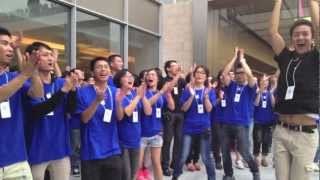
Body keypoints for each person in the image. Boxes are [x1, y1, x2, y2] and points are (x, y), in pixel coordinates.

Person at [268, 0, 319, 180]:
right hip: (281, 131)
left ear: (313, 38)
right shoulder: (286, 58)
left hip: (304, 135)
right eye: (296, 35)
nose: (300, 38)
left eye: (305, 34)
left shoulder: (316, 58)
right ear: (292, 39)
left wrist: (312, 2)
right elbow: (273, 33)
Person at [24, 42, 78, 180]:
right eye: (45, 55)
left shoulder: (60, 83)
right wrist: (64, 91)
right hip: (36, 151)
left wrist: (72, 91)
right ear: (33, 58)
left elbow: (70, 110)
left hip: (60, 150)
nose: (51, 59)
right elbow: (38, 110)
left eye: (51, 55)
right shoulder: (27, 84)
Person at [0, 26, 43, 180]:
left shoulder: (13, 77)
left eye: (11, 45)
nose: (10, 48)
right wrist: (25, 74)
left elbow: (37, 94)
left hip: (17, 160)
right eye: (4, 43)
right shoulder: (18, 78)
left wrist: (34, 73)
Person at [75, 57, 122, 180]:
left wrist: (119, 102)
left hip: (113, 150)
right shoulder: (82, 92)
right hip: (91, 152)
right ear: (92, 72)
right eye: (99, 67)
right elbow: (84, 119)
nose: (103, 70)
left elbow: (120, 117)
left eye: (106, 67)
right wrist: (97, 101)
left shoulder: (115, 91)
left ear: (110, 71)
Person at [221, 48, 260, 180]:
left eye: (242, 73)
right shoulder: (231, 85)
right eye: (237, 73)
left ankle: (255, 171)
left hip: (242, 125)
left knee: (244, 151)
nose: (239, 75)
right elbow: (224, 74)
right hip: (226, 124)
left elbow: (251, 76)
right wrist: (234, 57)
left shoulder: (250, 87)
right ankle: (228, 174)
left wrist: (242, 60)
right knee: (225, 151)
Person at [172, 65, 216, 180]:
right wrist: (191, 96)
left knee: (207, 158)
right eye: (198, 72)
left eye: (203, 73)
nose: (200, 75)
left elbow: (209, 109)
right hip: (189, 128)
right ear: (194, 75)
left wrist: (206, 97)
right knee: (183, 156)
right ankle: (175, 176)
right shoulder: (188, 90)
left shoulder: (209, 91)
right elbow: (184, 109)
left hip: (204, 128)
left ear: (206, 77)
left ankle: (212, 178)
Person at [113, 69, 152, 180]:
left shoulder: (135, 93)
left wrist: (142, 95)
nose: (130, 78)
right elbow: (128, 112)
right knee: (126, 174)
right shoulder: (119, 94)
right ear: (120, 80)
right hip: (123, 141)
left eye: (131, 76)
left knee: (134, 173)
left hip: (136, 139)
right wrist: (138, 97)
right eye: (127, 76)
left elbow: (148, 111)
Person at [139, 68, 175, 180]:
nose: (150, 76)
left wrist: (168, 94)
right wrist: (161, 92)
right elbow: (148, 105)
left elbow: (172, 107)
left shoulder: (161, 93)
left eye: (153, 75)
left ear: (158, 79)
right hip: (142, 134)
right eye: (148, 74)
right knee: (138, 165)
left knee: (156, 163)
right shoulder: (142, 92)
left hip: (157, 132)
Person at [161, 60, 186, 176]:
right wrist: (177, 76)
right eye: (174, 66)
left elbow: (188, 88)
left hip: (180, 113)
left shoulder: (181, 80)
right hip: (169, 113)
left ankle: (174, 163)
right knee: (167, 140)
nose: (177, 68)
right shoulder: (164, 80)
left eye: (177, 66)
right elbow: (168, 89)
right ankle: (165, 166)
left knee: (179, 140)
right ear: (168, 69)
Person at [253, 75, 276, 167]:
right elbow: (256, 103)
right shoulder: (257, 91)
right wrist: (259, 92)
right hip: (258, 120)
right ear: (260, 82)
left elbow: (274, 105)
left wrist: (271, 93)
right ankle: (256, 157)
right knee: (257, 139)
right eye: (263, 80)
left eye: (266, 81)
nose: (265, 82)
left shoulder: (271, 92)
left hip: (269, 120)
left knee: (266, 140)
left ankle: (264, 158)